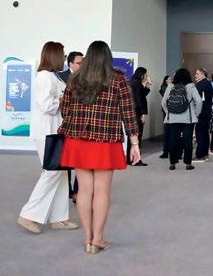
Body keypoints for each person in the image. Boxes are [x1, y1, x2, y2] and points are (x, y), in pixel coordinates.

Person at [57, 41, 141, 254]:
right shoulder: (118, 79)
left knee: (84, 190)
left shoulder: (75, 79)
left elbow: (65, 109)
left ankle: (87, 238)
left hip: (78, 140)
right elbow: (128, 112)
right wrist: (134, 143)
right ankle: (98, 239)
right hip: (105, 141)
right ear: (107, 57)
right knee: (102, 190)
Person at [17, 42, 79, 235]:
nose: (64, 58)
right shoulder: (44, 76)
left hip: (55, 130)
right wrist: (64, 99)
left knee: (61, 172)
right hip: (46, 131)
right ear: (54, 56)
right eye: (63, 55)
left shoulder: (53, 76)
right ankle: (28, 215)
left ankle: (58, 218)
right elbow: (47, 105)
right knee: (52, 172)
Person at [162, 68, 203, 170]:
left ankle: (172, 163)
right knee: (187, 140)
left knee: (173, 139)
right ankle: (188, 164)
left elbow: (163, 102)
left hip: (172, 118)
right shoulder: (191, 86)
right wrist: (196, 113)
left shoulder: (170, 86)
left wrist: (168, 112)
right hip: (188, 119)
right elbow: (199, 101)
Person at [58, 50, 84, 202]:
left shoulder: (86, 78)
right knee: (66, 160)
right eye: (79, 63)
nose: (82, 65)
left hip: (80, 127)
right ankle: (66, 189)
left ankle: (77, 191)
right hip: (64, 125)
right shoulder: (60, 77)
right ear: (70, 64)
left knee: (80, 160)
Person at [128, 67, 151, 166]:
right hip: (137, 112)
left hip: (133, 111)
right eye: (145, 74)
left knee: (133, 136)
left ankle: (130, 159)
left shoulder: (133, 82)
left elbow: (142, 94)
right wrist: (142, 113)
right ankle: (135, 160)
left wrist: (147, 84)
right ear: (141, 74)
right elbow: (139, 99)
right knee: (137, 136)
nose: (146, 76)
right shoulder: (136, 83)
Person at [194, 68, 213, 162]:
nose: (195, 75)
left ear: (202, 74)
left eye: (197, 73)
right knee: (205, 133)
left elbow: (198, 100)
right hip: (206, 112)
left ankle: (200, 154)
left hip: (201, 112)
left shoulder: (201, 84)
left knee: (200, 134)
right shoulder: (207, 83)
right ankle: (205, 154)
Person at [159, 75, 172, 159]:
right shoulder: (164, 87)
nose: (171, 80)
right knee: (167, 131)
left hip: (171, 111)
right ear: (166, 80)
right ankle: (166, 151)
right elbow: (165, 100)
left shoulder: (171, 87)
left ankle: (168, 150)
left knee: (170, 131)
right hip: (167, 111)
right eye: (169, 79)